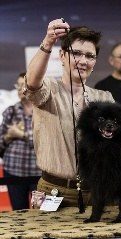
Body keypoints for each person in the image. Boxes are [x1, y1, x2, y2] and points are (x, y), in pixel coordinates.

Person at [24, 19, 114, 208]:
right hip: (53, 193)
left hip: (98, 192)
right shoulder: (49, 89)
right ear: (62, 56)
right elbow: (32, 83)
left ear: (95, 62)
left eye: (90, 56)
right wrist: (48, 41)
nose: (83, 61)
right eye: (77, 54)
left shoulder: (104, 98)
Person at [0, 72, 42, 210]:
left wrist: (22, 134)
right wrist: (8, 137)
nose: (18, 89)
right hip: (13, 172)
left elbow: (46, 142)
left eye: (22, 85)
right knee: (19, 212)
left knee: (41, 213)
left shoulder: (44, 112)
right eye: (17, 85)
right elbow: (1, 143)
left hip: (39, 175)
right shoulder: (10, 111)